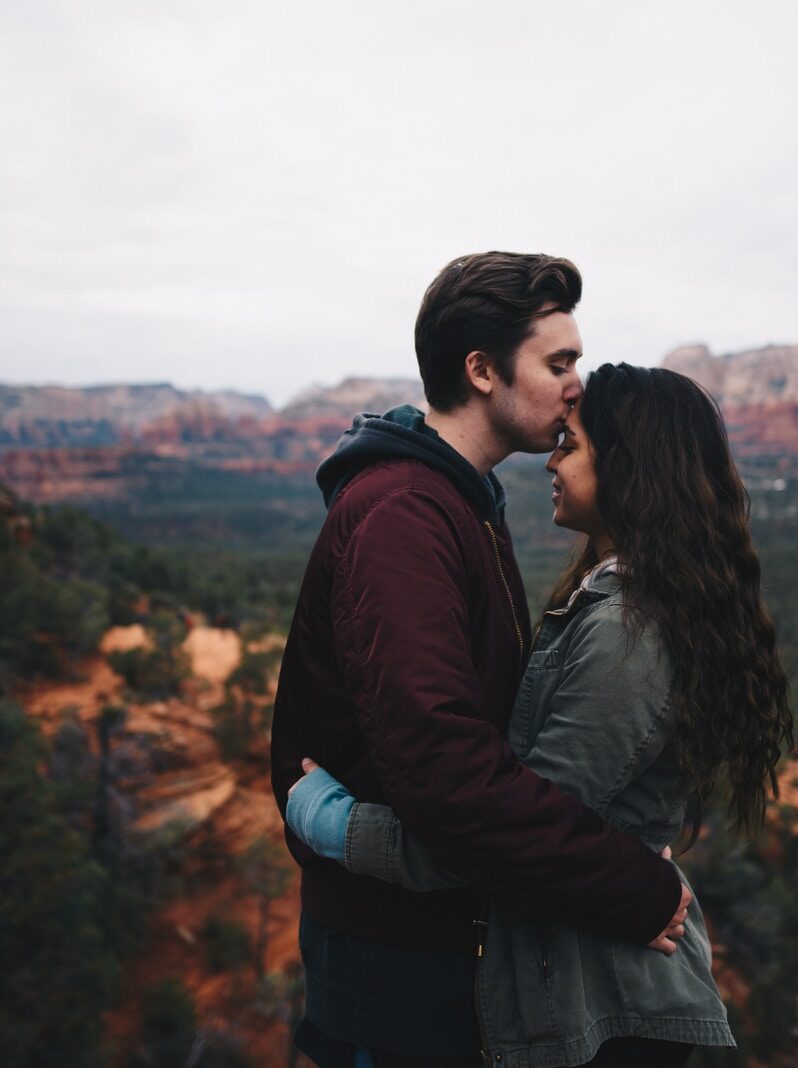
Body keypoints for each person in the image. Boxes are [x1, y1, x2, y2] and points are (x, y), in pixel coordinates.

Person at [287, 363, 796, 1067]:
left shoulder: (627, 632)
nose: (551, 462)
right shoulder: (616, 603)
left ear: (631, 471)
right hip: (594, 991)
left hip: (609, 1011)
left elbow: (513, 836)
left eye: (571, 446)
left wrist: (337, 826)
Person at [269, 255, 692, 1068]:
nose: (576, 386)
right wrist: (635, 884)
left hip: (442, 949)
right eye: (557, 363)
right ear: (482, 371)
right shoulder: (404, 514)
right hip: (395, 972)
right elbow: (449, 775)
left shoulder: (461, 500)